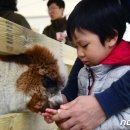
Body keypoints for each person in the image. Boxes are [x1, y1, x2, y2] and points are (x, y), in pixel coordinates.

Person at [41, 0, 130, 129]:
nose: (80, 54)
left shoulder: (124, 72)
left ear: (111, 38)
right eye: (76, 47)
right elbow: (78, 104)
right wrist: (65, 111)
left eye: (84, 45)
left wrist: (85, 124)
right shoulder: (83, 73)